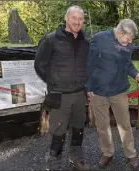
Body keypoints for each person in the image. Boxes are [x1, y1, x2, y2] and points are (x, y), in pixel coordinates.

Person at [34, 5, 90, 171]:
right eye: (74, 18)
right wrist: (54, 82)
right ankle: (53, 163)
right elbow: (39, 65)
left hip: (80, 93)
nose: (77, 22)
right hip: (59, 95)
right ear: (66, 18)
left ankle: (76, 158)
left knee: (79, 127)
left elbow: (87, 65)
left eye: (80, 19)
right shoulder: (51, 39)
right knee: (58, 130)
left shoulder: (85, 42)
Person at [86, 18, 139, 169]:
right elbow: (89, 63)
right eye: (127, 38)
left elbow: (127, 64)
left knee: (125, 125)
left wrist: (136, 74)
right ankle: (107, 153)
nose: (129, 42)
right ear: (119, 32)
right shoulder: (99, 39)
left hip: (119, 91)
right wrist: (88, 86)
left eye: (131, 39)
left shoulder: (129, 45)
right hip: (98, 91)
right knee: (102, 126)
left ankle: (130, 154)